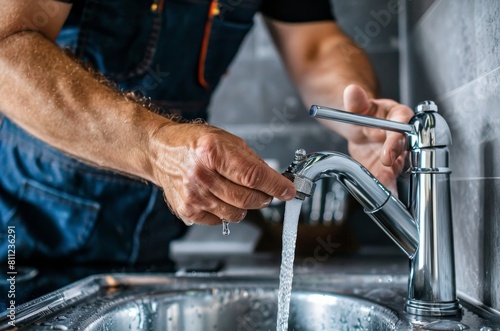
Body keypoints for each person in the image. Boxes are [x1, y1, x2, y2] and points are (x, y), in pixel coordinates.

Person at [0, 0, 413, 266]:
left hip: (150, 246)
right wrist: (154, 148)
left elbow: (316, 46)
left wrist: (360, 117)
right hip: (24, 240)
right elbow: (6, 46)